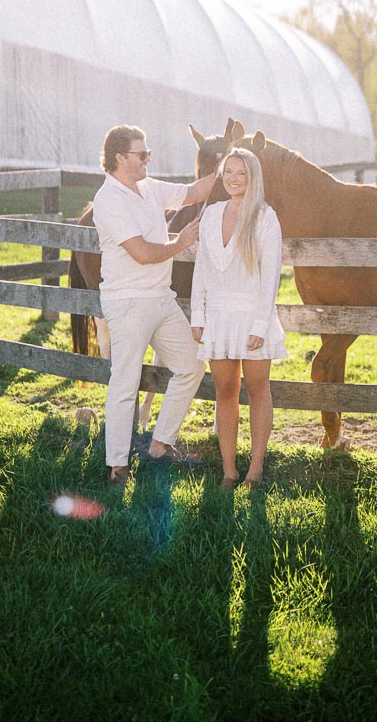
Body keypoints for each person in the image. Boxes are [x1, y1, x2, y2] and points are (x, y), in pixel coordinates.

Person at [93, 124, 218, 485]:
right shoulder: (109, 200)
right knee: (125, 382)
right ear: (120, 158)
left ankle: (160, 447)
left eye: (149, 154)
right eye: (142, 154)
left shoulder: (149, 188)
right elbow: (144, 253)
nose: (148, 159)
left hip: (160, 299)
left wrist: (227, 163)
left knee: (192, 366)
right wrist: (183, 242)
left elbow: (196, 191)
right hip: (128, 302)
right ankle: (117, 466)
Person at [190, 147, 286, 489]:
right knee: (225, 391)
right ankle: (229, 471)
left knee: (258, 389)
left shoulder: (264, 217)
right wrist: (197, 315)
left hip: (251, 315)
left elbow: (271, 275)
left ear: (253, 178)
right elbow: (201, 268)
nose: (233, 178)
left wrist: (261, 324)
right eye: (228, 171)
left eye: (241, 173)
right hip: (217, 316)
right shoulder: (212, 214)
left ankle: (255, 469)